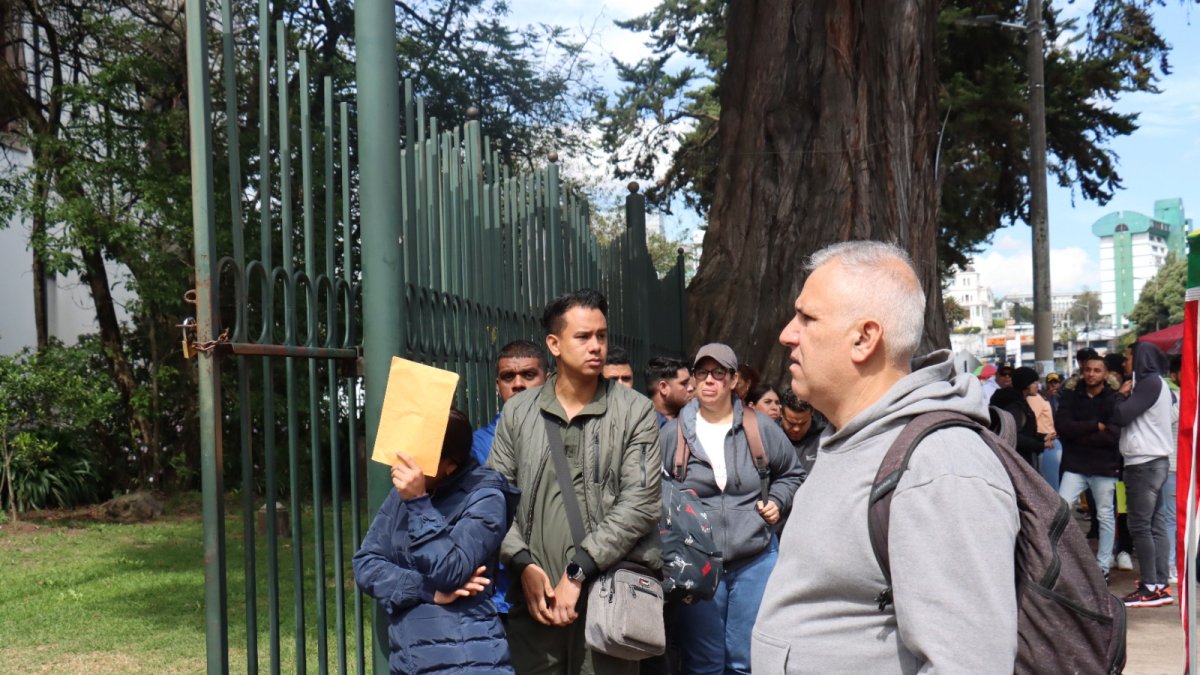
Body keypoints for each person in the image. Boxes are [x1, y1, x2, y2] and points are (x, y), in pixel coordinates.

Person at [753, 241, 1019, 674]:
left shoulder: (940, 466)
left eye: (807, 318)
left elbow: (968, 663)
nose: (787, 334)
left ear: (864, 338)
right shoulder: (854, 439)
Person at [487, 289, 662, 675]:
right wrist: (522, 564)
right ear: (554, 344)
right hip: (535, 603)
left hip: (609, 600)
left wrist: (579, 570)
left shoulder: (635, 411)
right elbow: (494, 499)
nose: (596, 346)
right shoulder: (518, 413)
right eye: (583, 337)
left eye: (602, 335)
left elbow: (642, 503)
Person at [659, 343, 802, 675]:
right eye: (702, 373)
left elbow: (792, 473)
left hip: (755, 558)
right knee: (704, 663)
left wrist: (777, 501)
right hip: (696, 564)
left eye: (719, 373)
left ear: (734, 380)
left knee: (745, 660)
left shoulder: (760, 428)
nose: (710, 380)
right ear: (693, 380)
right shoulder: (672, 435)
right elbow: (654, 490)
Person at [354, 409, 520, 674]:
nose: (405, 464)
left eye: (419, 456)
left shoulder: (487, 497)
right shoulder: (403, 495)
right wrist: (425, 590)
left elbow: (449, 571)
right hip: (411, 658)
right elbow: (366, 563)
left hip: (466, 658)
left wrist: (419, 504)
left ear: (450, 465)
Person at [470, 340, 549, 615]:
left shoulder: (569, 435)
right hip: (500, 593)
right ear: (497, 385)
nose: (518, 384)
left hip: (560, 581)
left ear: (547, 379)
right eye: (508, 377)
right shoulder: (475, 445)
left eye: (529, 375)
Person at [1110, 341, 1175, 607]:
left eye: (1128, 357)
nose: (1124, 362)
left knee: (1140, 525)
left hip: (1143, 463)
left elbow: (1120, 416)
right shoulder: (1159, 384)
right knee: (1155, 525)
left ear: (1140, 359)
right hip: (1155, 461)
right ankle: (1159, 584)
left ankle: (1149, 587)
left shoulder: (1148, 383)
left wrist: (1120, 395)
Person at [1055, 353, 1122, 580]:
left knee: (1105, 516)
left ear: (1106, 373)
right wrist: (1095, 426)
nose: (1091, 374)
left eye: (1097, 370)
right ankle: (1061, 562)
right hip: (1075, 465)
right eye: (1088, 369)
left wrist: (1079, 434)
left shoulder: (1114, 399)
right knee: (1061, 510)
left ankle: (1103, 567)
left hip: (1104, 466)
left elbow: (1113, 436)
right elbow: (1063, 427)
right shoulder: (1071, 395)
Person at [989, 366, 1049, 467]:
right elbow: (1015, 435)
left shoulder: (1020, 401)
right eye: (1034, 382)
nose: (1037, 386)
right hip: (1017, 460)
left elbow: (1025, 431)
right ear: (1026, 384)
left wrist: (1042, 437)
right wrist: (1040, 445)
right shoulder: (1015, 406)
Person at [778, 387, 823, 478]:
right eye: (791, 423)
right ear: (781, 413)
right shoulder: (769, 437)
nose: (796, 429)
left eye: (803, 423)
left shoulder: (825, 438)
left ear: (812, 413)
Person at [1029, 373, 1061, 491]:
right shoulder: (1039, 398)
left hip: (1050, 443)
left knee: (1051, 486)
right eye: (1050, 383)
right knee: (1051, 485)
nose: (1053, 385)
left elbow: (1032, 423)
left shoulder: (1056, 398)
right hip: (1048, 442)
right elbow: (1033, 423)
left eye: (1055, 382)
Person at [646, 356, 693, 427]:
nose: (691, 388)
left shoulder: (694, 419)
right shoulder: (641, 424)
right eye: (684, 383)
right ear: (663, 387)